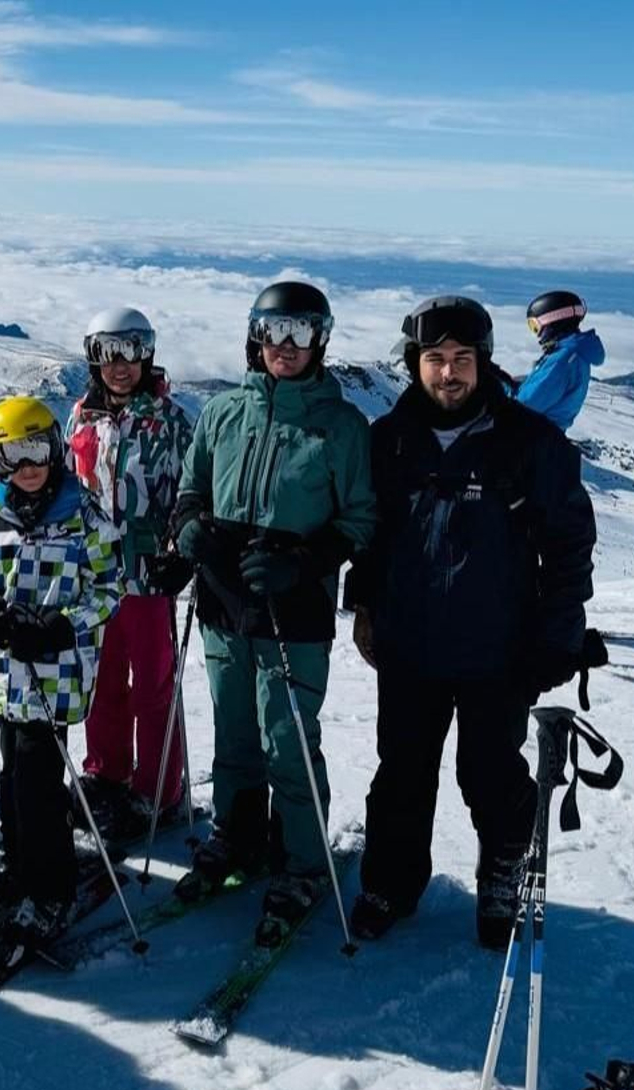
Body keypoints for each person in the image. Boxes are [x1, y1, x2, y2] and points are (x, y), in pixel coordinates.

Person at [346, 296, 597, 948]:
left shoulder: (530, 443)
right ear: (415, 364)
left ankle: (503, 877)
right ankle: (390, 883)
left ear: (484, 362)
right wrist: (365, 604)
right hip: (408, 643)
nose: (449, 373)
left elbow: (569, 546)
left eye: (462, 359)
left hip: (497, 648)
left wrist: (557, 639)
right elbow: (372, 536)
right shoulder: (389, 441)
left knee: (490, 774)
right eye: (435, 359)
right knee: (401, 770)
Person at [169, 281, 375, 947]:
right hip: (223, 595)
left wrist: (308, 559)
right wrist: (189, 526)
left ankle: (303, 861)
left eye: (301, 333)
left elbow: (362, 518)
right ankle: (239, 835)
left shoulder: (340, 426)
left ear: (321, 340)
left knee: (286, 737)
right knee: (233, 731)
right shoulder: (223, 412)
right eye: (273, 331)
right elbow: (192, 486)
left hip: (294, 604)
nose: (285, 347)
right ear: (254, 336)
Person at [0, 397, 122, 951]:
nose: (26, 466)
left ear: (54, 446)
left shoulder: (84, 513)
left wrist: (62, 625)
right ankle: (19, 868)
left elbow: (108, 590)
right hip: (7, 670)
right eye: (11, 455)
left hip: (57, 672)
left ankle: (51, 888)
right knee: (11, 781)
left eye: (35, 449)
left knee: (37, 784)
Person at [66, 307, 195, 834]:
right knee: (100, 681)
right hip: (96, 574)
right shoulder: (81, 417)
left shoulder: (171, 420)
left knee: (153, 686)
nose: (120, 365)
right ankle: (107, 772)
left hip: (148, 572)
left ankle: (159, 787)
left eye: (131, 350)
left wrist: (181, 549)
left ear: (148, 354)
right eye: (107, 352)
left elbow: (192, 493)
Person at [516, 289, 604, 432]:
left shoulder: (563, 359)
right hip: (544, 436)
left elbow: (524, 407)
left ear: (552, 322)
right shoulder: (573, 354)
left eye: (535, 326)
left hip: (533, 438)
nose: (537, 335)